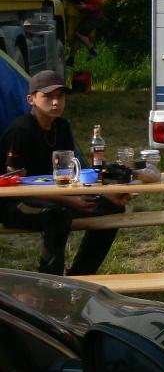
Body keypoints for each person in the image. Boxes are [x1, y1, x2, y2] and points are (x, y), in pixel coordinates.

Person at [0, 70, 128, 275]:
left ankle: (80, 275)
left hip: (55, 197)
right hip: (14, 204)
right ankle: (50, 282)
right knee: (56, 215)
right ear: (31, 99)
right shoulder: (20, 131)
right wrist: (68, 200)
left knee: (111, 207)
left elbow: (71, 174)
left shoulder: (62, 126)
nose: (56, 102)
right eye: (48, 96)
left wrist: (104, 193)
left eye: (60, 96)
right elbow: (15, 186)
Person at [55, 0, 104, 65]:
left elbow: (98, 5)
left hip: (96, 17)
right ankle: (71, 59)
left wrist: (86, 7)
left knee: (79, 34)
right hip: (90, 16)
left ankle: (92, 50)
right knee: (76, 37)